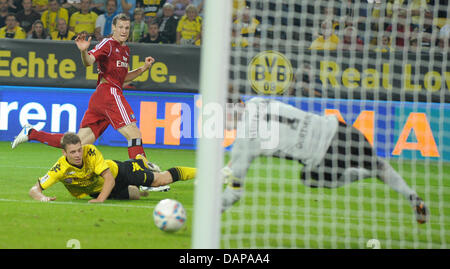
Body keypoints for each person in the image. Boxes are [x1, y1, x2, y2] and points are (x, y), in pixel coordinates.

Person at [220, 97, 429, 224]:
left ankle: (366, 173)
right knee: (379, 164)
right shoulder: (257, 101)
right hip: (340, 129)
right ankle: (412, 196)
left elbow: (235, 192)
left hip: (325, 157)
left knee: (308, 177)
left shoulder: (243, 143)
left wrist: (213, 209)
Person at [13, 13, 158, 168]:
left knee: (77, 145)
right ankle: (144, 175)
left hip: (103, 96)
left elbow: (122, 79)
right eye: (121, 27)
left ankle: (31, 133)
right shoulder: (107, 44)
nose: (124, 31)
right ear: (114, 28)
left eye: (127, 28)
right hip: (108, 93)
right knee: (134, 133)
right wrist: (83, 51)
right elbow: (89, 61)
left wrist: (143, 68)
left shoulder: (125, 50)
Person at [29, 132, 196, 203]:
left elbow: (108, 178)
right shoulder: (60, 168)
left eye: (79, 149)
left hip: (119, 173)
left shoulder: (91, 152)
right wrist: (41, 198)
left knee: (159, 180)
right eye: (73, 152)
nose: (78, 154)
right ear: (64, 153)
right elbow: (34, 190)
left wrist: (100, 200)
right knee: (136, 195)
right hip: (96, 189)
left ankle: (140, 162)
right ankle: (140, 163)